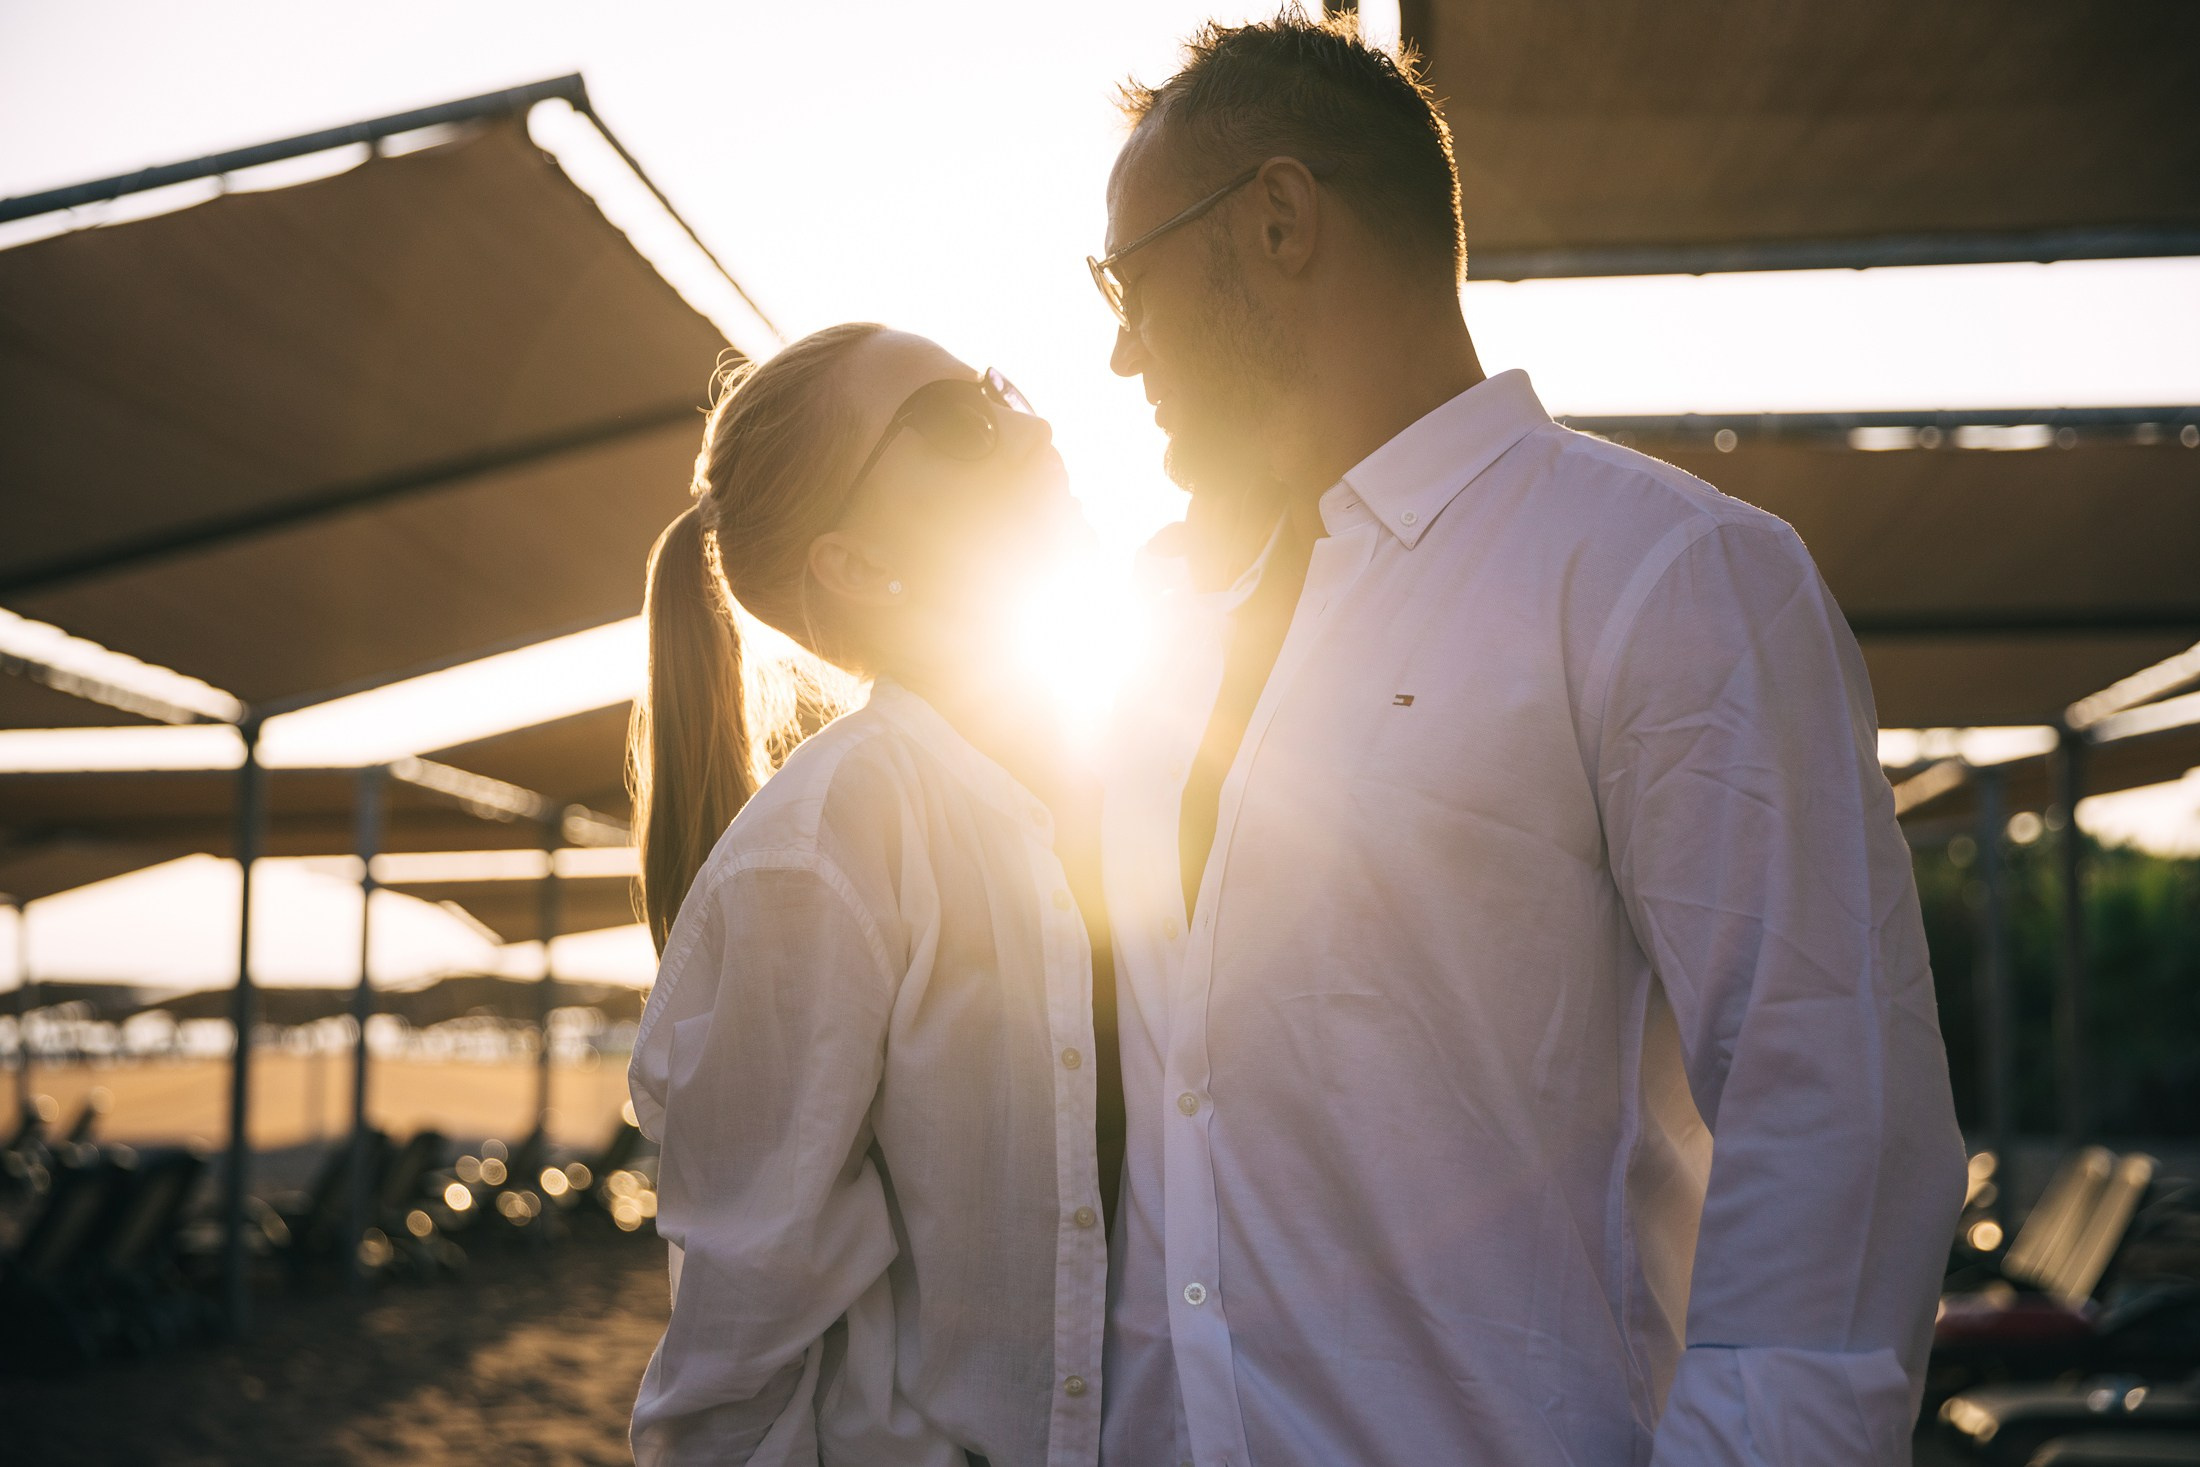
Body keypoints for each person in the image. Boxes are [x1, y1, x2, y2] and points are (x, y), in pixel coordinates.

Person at [1090, 16, 1967, 1465]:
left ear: (1280, 218)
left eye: (1128, 283)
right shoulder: (1173, 626)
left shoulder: (1664, 574)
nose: (1120, 354)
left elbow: (1834, 1114)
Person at [624, 323, 1119, 1467]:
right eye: (959, 422)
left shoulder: (1151, 775)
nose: (1035, 424)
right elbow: (731, 1377)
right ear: (853, 564)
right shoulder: (819, 851)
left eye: (999, 385)